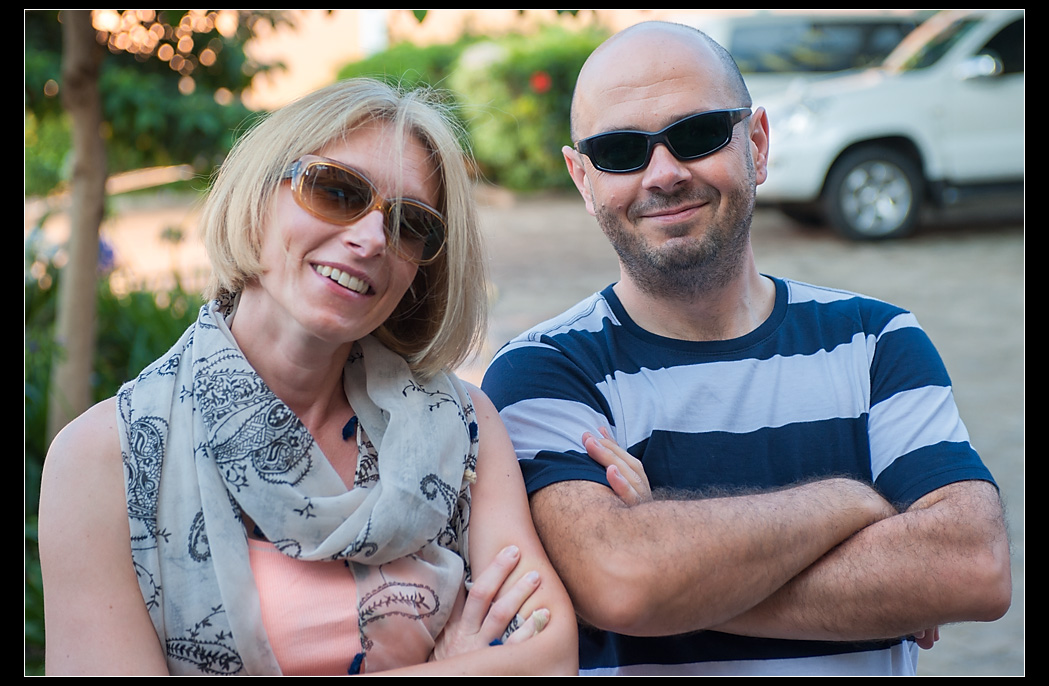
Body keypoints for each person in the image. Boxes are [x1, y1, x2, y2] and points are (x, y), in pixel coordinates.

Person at [481, 22, 1011, 676]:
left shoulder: (877, 342)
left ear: (756, 144)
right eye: (620, 151)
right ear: (582, 178)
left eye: (698, 134)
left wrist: (669, 569)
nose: (664, 174)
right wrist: (850, 503)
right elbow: (621, 579)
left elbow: (973, 566)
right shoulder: (542, 372)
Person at [39, 78, 577, 676]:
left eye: (409, 224)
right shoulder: (104, 458)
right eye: (336, 190)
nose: (371, 239)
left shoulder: (463, 427)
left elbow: (550, 657)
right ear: (256, 200)